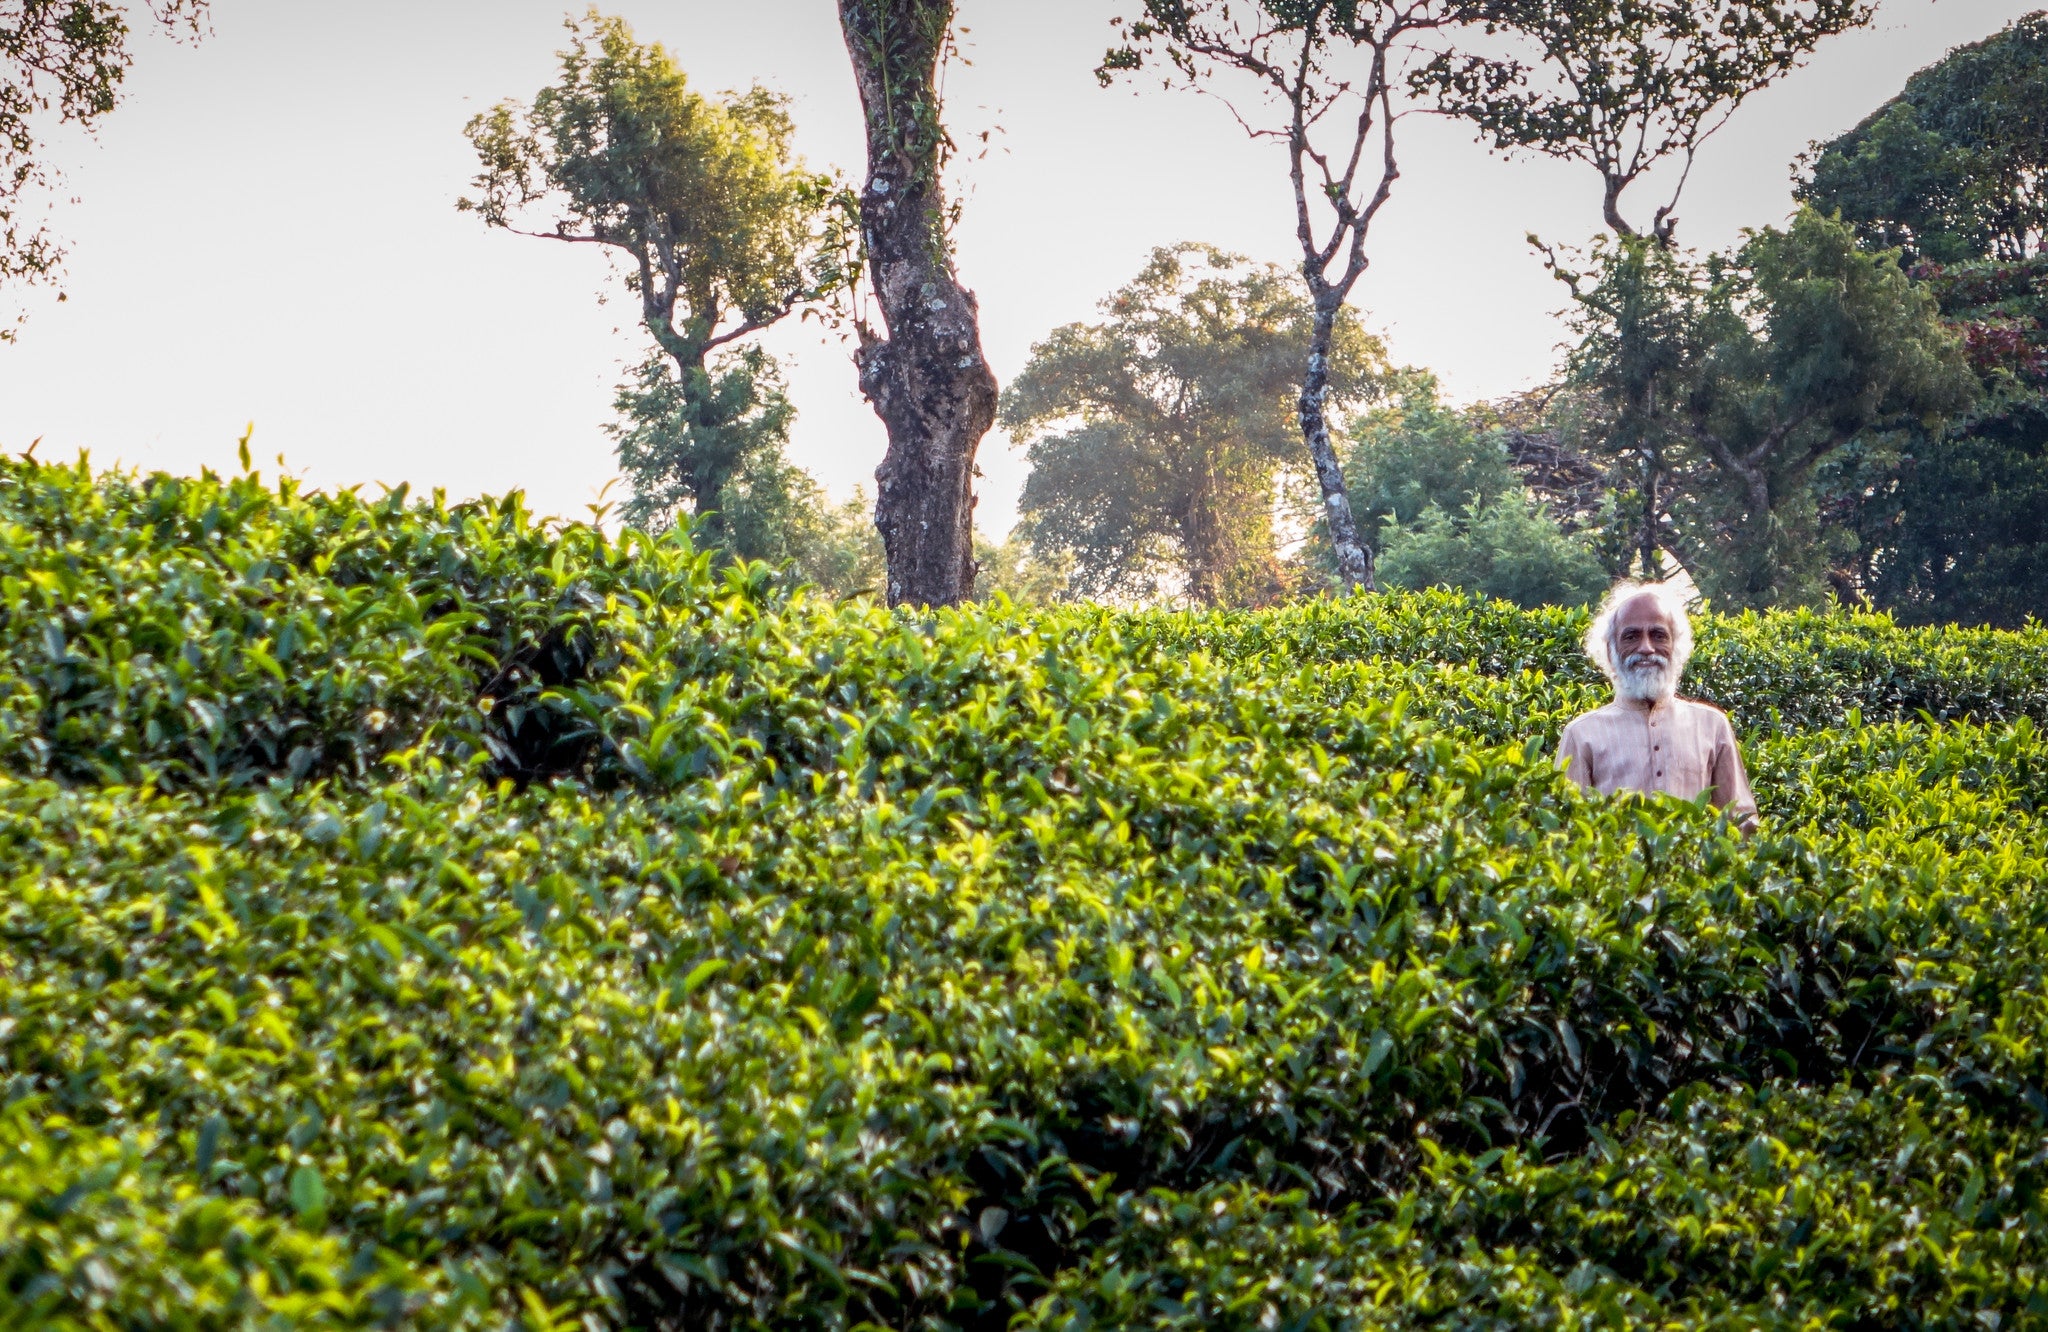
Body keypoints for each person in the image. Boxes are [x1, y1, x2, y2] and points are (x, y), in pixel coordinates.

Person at [1557, 580, 1759, 834]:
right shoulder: (1581, 734)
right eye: (1631, 636)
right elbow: (1567, 832)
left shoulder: (1712, 726)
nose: (1646, 648)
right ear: (1610, 651)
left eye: (1658, 635)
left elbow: (1739, 824)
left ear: (1677, 647)